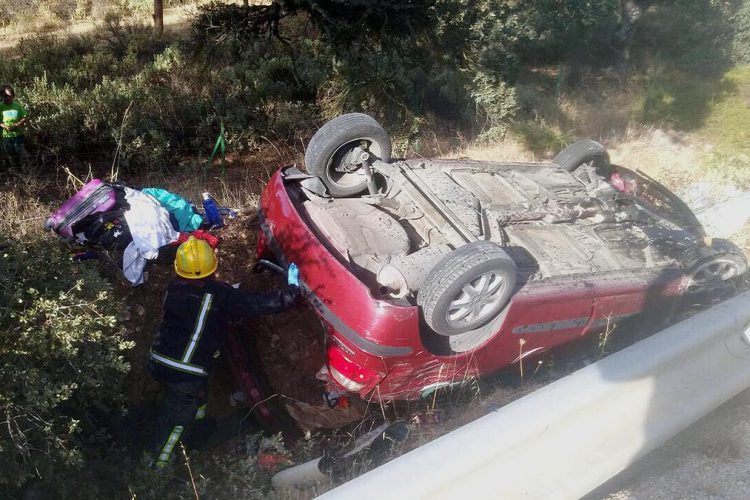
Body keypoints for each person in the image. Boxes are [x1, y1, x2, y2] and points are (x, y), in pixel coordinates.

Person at [145, 236, 301, 468]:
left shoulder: (174, 288)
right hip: (186, 373)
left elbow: (204, 302)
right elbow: (260, 304)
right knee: (175, 423)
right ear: (212, 269)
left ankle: (198, 428)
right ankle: (155, 470)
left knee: (194, 399)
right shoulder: (219, 296)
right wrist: (292, 291)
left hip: (159, 361)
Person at [0, 85, 29, 168]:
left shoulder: (17, 105)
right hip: (5, 135)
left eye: (9, 96)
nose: (7, 98)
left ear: (13, 96)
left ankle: (23, 169)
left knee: (18, 151)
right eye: (5, 96)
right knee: (9, 153)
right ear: (2, 96)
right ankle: (13, 171)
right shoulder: (0, 106)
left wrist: (16, 124)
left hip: (18, 134)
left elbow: (25, 117)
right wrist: (5, 126)